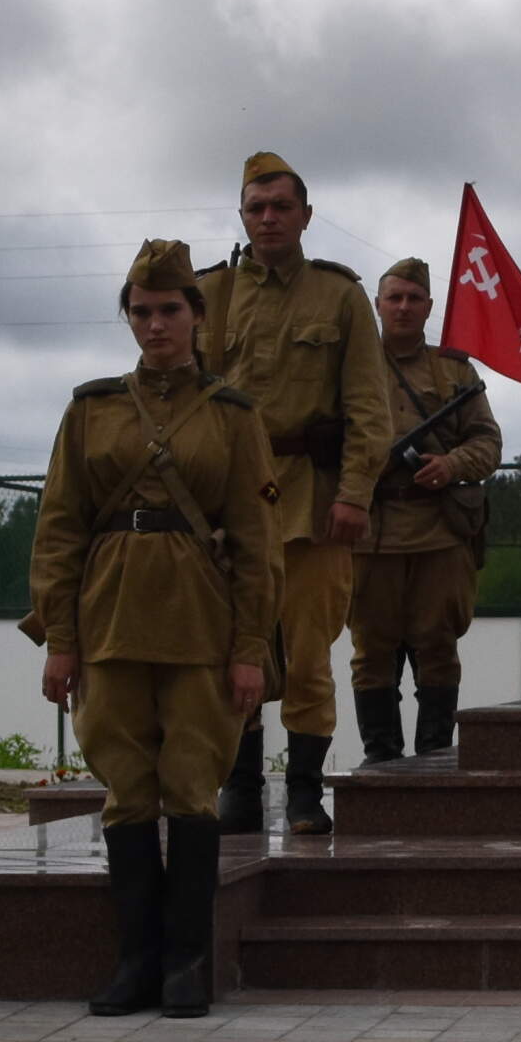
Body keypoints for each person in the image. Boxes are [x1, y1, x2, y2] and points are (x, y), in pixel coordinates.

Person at [26, 241, 277, 1017]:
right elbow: (59, 528)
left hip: (200, 625)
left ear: (198, 317)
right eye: (142, 310)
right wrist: (61, 638)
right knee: (127, 794)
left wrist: (249, 650)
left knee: (191, 789)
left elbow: (257, 543)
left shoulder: (233, 417)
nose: (156, 323)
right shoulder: (91, 408)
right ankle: (136, 962)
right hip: (109, 623)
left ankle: (186, 965)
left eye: (171, 309)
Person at [198, 155, 392, 837]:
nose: (269, 218)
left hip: (312, 502)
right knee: (233, 652)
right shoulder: (209, 293)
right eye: (257, 207)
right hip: (228, 508)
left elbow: (371, 406)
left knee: (309, 656)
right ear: (242, 215)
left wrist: (356, 493)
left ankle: (305, 791)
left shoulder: (339, 296)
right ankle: (241, 789)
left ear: (306, 214)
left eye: (282, 206)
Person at [349, 256, 502, 763]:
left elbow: (488, 440)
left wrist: (452, 463)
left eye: (414, 298)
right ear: (377, 304)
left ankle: (435, 762)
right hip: (369, 532)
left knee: (437, 648)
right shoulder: (349, 366)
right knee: (372, 654)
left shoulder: (455, 370)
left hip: (439, 531)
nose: (404, 307)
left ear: (429, 305)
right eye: (394, 297)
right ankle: (381, 763)